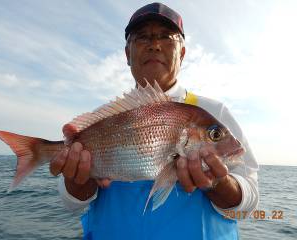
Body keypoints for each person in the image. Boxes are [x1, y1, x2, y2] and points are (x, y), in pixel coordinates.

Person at [50, 3, 259, 240]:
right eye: (142, 37)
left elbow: (250, 200)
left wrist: (218, 184)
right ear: (127, 54)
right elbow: (71, 204)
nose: (154, 45)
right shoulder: (104, 117)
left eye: (166, 37)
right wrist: (79, 180)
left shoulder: (213, 111)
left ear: (181, 53)